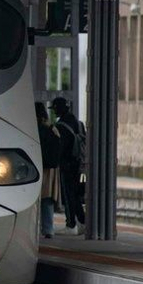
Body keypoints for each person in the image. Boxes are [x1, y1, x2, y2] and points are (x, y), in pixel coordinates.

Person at [50, 96, 87, 233]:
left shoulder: (61, 126)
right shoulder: (79, 123)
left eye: (54, 109)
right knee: (77, 194)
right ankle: (83, 222)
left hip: (67, 165)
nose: (53, 112)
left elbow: (60, 148)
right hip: (80, 165)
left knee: (68, 194)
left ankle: (71, 224)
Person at [35, 102, 61, 239]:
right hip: (50, 171)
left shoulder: (30, 129)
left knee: (34, 201)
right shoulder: (52, 129)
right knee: (47, 200)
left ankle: (34, 229)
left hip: (35, 168)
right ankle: (48, 229)